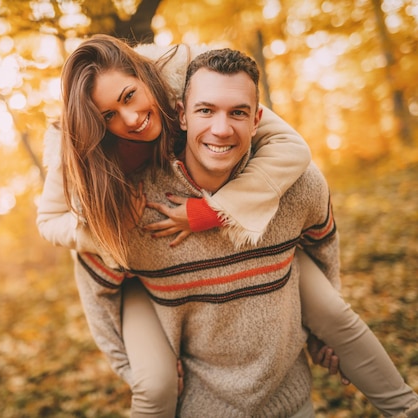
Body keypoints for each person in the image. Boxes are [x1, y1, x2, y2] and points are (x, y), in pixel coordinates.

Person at [37, 35, 418, 416]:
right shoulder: (82, 153)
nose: (131, 118)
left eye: (128, 96)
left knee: (338, 319)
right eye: (108, 115)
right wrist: (110, 229)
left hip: (249, 237)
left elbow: (292, 150)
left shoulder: (186, 78)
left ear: (144, 76)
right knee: (154, 388)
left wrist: (212, 211)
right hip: (140, 266)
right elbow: (56, 230)